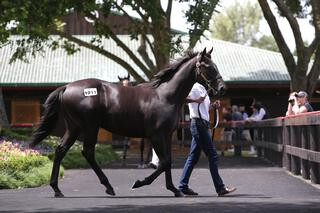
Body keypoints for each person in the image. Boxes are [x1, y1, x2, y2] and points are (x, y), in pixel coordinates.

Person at [179, 82, 236, 196]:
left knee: (193, 157)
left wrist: (213, 106)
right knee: (212, 155)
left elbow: (203, 107)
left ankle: (183, 186)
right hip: (199, 124)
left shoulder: (203, 90)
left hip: (202, 124)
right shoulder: (194, 87)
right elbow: (182, 98)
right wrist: (196, 100)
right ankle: (220, 188)